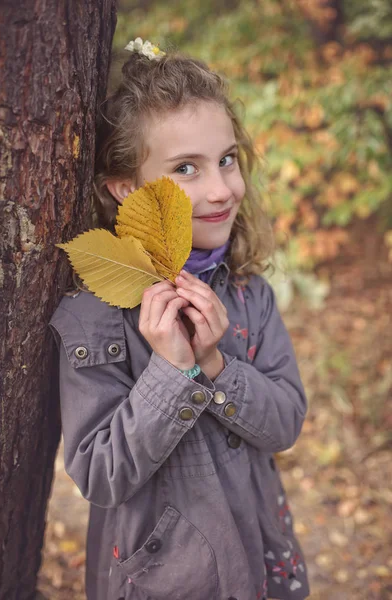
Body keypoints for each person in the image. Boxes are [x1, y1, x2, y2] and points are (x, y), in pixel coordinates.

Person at [49, 38, 310, 600]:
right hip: (163, 579)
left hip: (258, 559)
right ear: (125, 188)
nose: (221, 189)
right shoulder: (93, 317)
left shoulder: (248, 294)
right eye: (186, 168)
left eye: (227, 159)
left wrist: (216, 365)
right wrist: (171, 371)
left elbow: (286, 421)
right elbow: (98, 474)